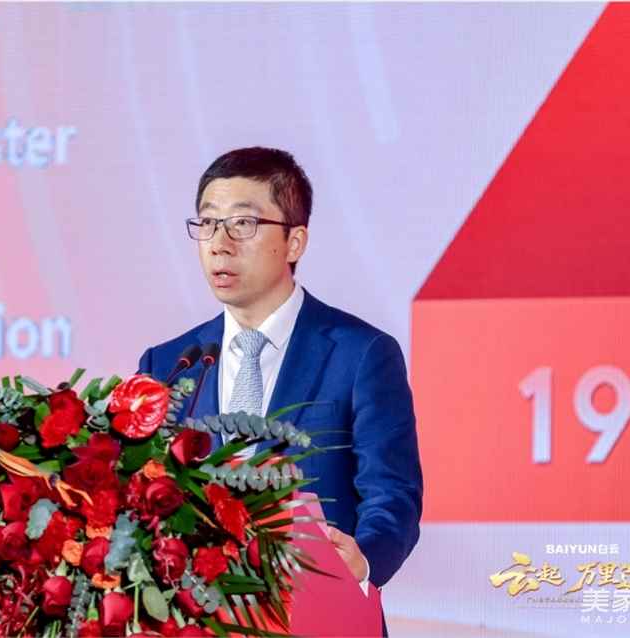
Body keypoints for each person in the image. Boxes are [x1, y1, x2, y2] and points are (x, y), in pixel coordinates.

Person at [137, 147, 422, 598]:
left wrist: (364, 559)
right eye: (207, 222)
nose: (219, 243)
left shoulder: (362, 354)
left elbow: (392, 496)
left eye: (243, 223)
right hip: (198, 615)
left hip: (322, 607)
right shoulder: (169, 364)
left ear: (295, 242)